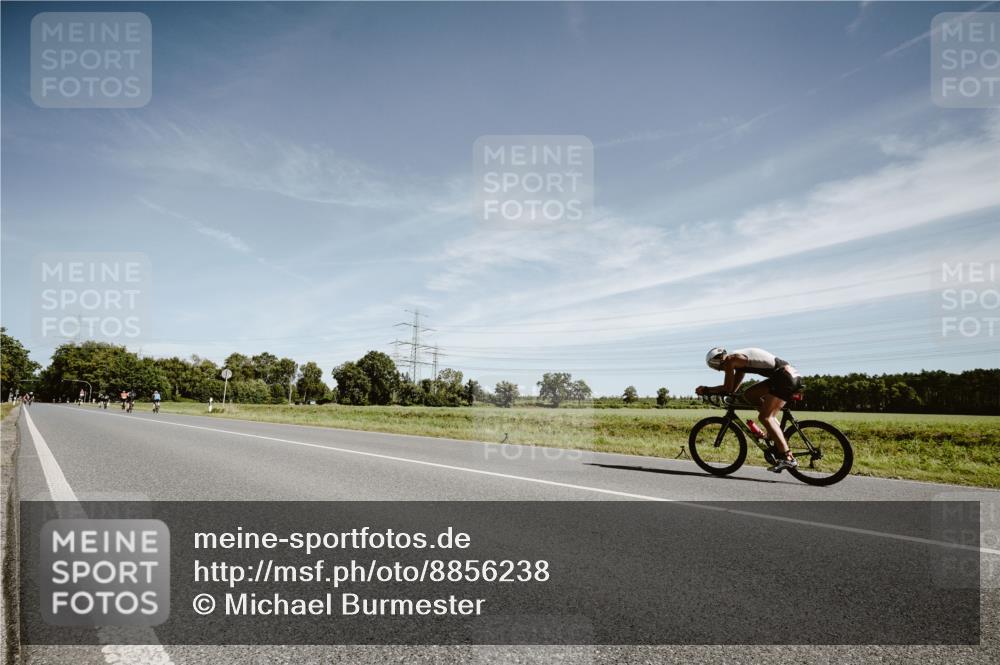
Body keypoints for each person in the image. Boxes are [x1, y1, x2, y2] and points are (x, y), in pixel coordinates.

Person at [696, 347, 803, 472]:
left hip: (784, 377)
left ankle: (788, 457)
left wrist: (707, 389)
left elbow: (727, 387)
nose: (720, 370)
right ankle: (773, 431)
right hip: (785, 375)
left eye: (716, 368)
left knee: (765, 417)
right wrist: (727, 394)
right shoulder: (738, 362)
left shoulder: (730, 360)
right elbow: (732, 389)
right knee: (749, 395)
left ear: (716, 362)